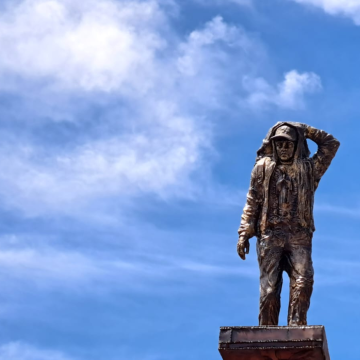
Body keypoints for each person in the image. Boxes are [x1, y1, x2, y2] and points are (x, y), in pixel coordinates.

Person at [237, 122, 340, 326]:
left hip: (299, 236)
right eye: (279, 144)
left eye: (288, 144)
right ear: (273, 145)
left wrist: (301, 128)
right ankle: (266, 333)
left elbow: (331, 144)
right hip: (270, 235)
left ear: (297, 144)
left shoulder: (309, 169)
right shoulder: (262, 169)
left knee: (303, 283)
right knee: (269, 291)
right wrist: (244, 233)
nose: (283, 148)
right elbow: (252, 201)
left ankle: (296, 328)